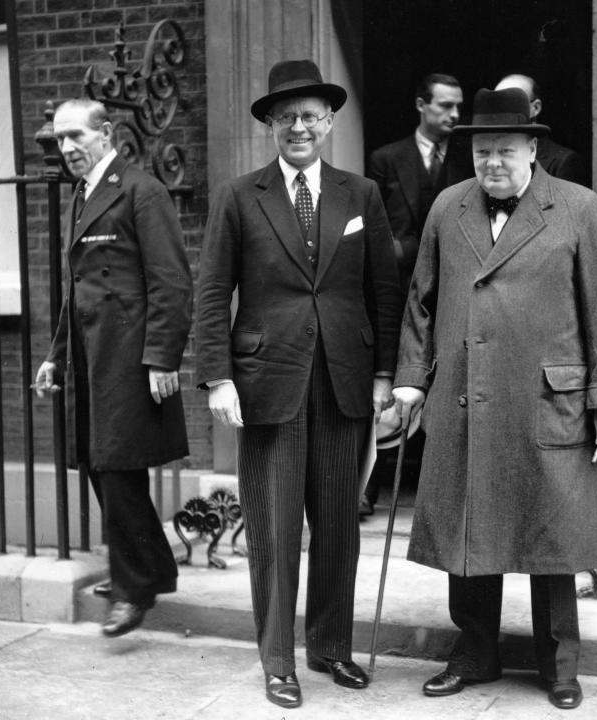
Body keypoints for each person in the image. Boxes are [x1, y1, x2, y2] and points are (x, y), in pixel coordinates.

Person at [391, 88, 597, 711]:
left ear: (532, 148)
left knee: (553, 536)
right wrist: (412, 380)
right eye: (481, 151)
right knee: (469, 532)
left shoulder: (577, 206)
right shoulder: (449, 207)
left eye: (504, 150)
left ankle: (561, 667)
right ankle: (473, 653)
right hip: (468, 394)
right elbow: (420, 301)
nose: (491, 162)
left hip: (547, 400)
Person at [194, 59, 402, 709]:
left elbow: (384, 293)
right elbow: (210, 294)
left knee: (339, 525)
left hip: (344, 382)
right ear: (270, 127)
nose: (299, 127)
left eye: (310, 116)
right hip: (266, 383)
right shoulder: (238, 196)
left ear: (330, 121)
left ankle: (331, 646)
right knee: (277, 531)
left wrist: (385, 376)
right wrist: (218, 378)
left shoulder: (359, 194)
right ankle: (278, 661)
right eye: (286, 118)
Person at [33, 98, 192, 639]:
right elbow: (76, 289)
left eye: (76, 136)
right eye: (59, 140)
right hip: (90, 355)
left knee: (118, 467)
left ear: (107, 133)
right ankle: (146, 569)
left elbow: (171, 281)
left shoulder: (141, 190)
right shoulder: (82, 195)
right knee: (103, 466)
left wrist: (162, 358)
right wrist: (56, 355)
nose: (67, 149)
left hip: (129, 356)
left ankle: (133, 588)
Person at [361, 73, 463, 517]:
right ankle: (368, 486)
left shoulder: (467, 158)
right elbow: (376, 230)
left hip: (454, 288)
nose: (454, 116)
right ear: (421, 105)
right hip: (400, 290)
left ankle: (442, 495)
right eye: (445, 106)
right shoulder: (386, 159)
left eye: (458, 107)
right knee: (389, 385)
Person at [494, 73, 590, 186]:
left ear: (535, 108)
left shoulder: (562, 162)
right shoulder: (486, 158)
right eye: (495, 103)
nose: (501, 111)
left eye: (511, 103)